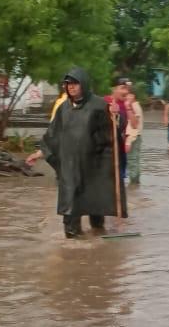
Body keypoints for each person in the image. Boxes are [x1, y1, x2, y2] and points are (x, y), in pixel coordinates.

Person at [27, 66, 126, 238]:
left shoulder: (98, 105)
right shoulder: (63, 109)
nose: (71, 87)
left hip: (93, 167)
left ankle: (98, 243)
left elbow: (113, 132)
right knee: (70, 210)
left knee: (96, 207)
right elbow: (53, 135)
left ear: (84, 85)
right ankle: (73, 250)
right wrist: (40, 152)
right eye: (68, 84)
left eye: (75, 83)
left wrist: (115, 116)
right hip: (70, 169)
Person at [124, 88, 143, 185]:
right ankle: (135, 185)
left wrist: (128, 141)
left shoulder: (134, 106)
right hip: (134, 137)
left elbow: (134, 125)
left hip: (133, 137)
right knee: (134, 160)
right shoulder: (135, 106)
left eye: (128, 95)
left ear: (133, 96)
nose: (126, 97)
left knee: (132, 161)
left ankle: (134, 184)